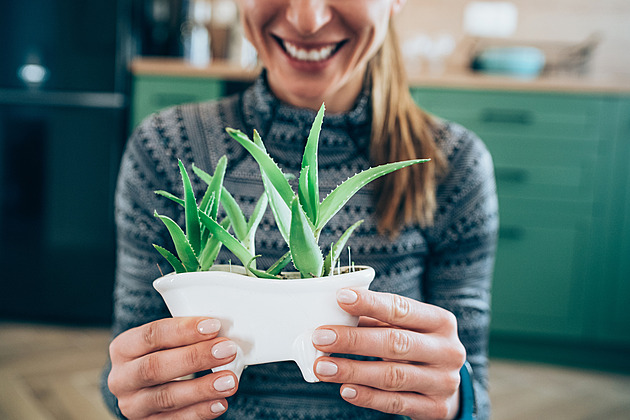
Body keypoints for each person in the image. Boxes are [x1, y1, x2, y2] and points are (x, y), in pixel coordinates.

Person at [102, 0, 498, 419]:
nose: (307, 19)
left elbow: (472, 390)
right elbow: (124, 377)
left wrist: (453, 401)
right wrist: (140, 392)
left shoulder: (453, 163)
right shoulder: (167, 146)